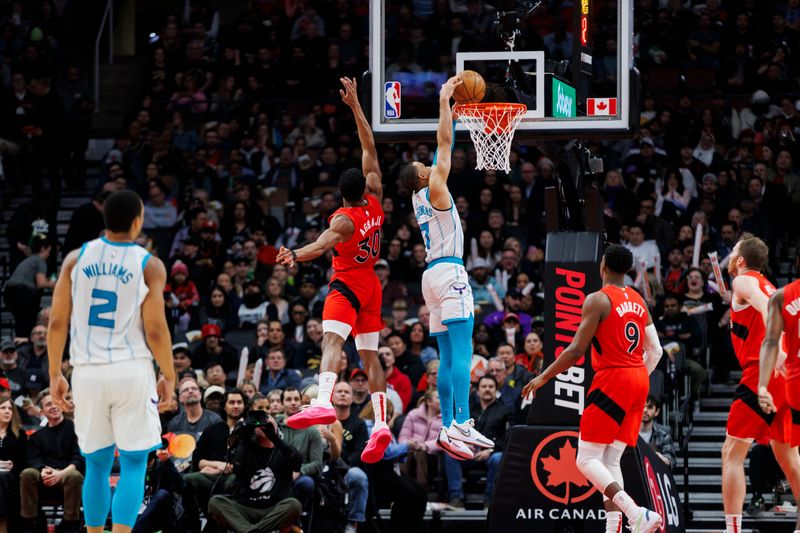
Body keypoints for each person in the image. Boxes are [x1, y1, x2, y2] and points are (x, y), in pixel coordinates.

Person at [46, 190, 177, 533]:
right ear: (138, 221)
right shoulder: (149, 263)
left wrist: (55, 373)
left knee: (97, 465)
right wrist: (169, 375)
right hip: (131, 368)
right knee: (134, 463)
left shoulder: (76, 258)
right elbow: (157, 331)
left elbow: (57, 322)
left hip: (87, 372)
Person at [276, 77, 390, 464]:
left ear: (341, 194)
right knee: (370, 359)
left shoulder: (343, 220)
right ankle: (382, 423)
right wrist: (356, 107)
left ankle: (323, 401)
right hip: (373, 284)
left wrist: (294, 253)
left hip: (348, 284)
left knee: (331, 344)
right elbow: (369, 146)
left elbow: (321, 244)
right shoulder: (375, 196)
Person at [523, 244, 663, 533]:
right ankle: (616, 528)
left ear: (603, 266)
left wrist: (543, 377)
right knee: (611, 459)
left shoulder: (598, 299)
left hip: (614, 379)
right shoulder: (638, 298)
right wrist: (638, 379)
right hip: (639, 379)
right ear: (628, 269)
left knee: (586, 459)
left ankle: (636, 513)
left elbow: (575, 351)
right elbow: (657, 351)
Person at [398, 73, 493, 461]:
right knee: (462, 351)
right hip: (450, 273)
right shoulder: (434, 187)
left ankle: (453, 427)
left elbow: (440, 147)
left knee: (444, 355)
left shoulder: (418, 201)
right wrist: (444, 103)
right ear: (422, 175)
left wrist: (451, 112)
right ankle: (460, 423)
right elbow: (444, 144)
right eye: (425, 164)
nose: (429, 163)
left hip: (431, 278)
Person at [721, 234, 800, 533]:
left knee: (731, 453)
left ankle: (733, 529)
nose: (729, 256)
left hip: (761, 372)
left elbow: (769, 307)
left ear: (741, 260)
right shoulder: (764, 283)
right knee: (788, 454)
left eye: (733, 252)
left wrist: (778, 347)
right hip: (782, 376)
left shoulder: (744, 281)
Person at [756, 253, 800, 532]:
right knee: (782, 447)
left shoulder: (783, 296)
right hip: (794, 381)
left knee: (786, 449)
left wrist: (762, 384)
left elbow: (771, 342)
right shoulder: (780, 297)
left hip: (795, 383)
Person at [206, 414, 303, 532]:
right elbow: (237, 469)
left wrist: (274, 438)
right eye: (258, 423)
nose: (262, 425)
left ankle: (249, 531)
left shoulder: (283, 450)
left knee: (294, 505)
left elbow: (297, 462)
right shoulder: (245, 448)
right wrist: (245, 437)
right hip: (245, 507)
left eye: (267, 422)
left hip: (274, 508)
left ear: (276, 428)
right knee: (216, 502)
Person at [20, 393, 85, 533]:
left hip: (67, 475)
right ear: (42, 411)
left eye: (56, 402)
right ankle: (32, 522)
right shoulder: (37, 436)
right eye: (48, 404)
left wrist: (60, 474)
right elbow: (33, 459)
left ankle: (70, 524)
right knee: (27, 473)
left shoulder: (76, 430)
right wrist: (42, 470)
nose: (54, 406)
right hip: (45, 476)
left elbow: (79, 458)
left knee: (74, 476)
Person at [3, 234, 55, 337]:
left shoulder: (29, 260)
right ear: (42, 249)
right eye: (48, 251)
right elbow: (41, 283)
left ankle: (20, 341)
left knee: (21, 323)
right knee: (27, 323)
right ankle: (25, 343)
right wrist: (54, 284)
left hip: (9, 293)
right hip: (22, 293)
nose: (49, 255)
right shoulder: (40, 261)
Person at [0, 398, 27, 533]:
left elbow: (24, 460)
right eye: (3, 408)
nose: (7, 411)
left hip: (12, 477)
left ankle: (3, 526)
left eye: (10, 409)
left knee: (2, 478)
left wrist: (13, 464)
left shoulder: (19, 434)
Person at [638, 395, 677, 470]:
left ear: (657, 412)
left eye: (649, 407)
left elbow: (671, 461)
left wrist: (661, 458)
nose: (645, 410)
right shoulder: (629, 434)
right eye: (642, 406)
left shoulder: (663, 436)